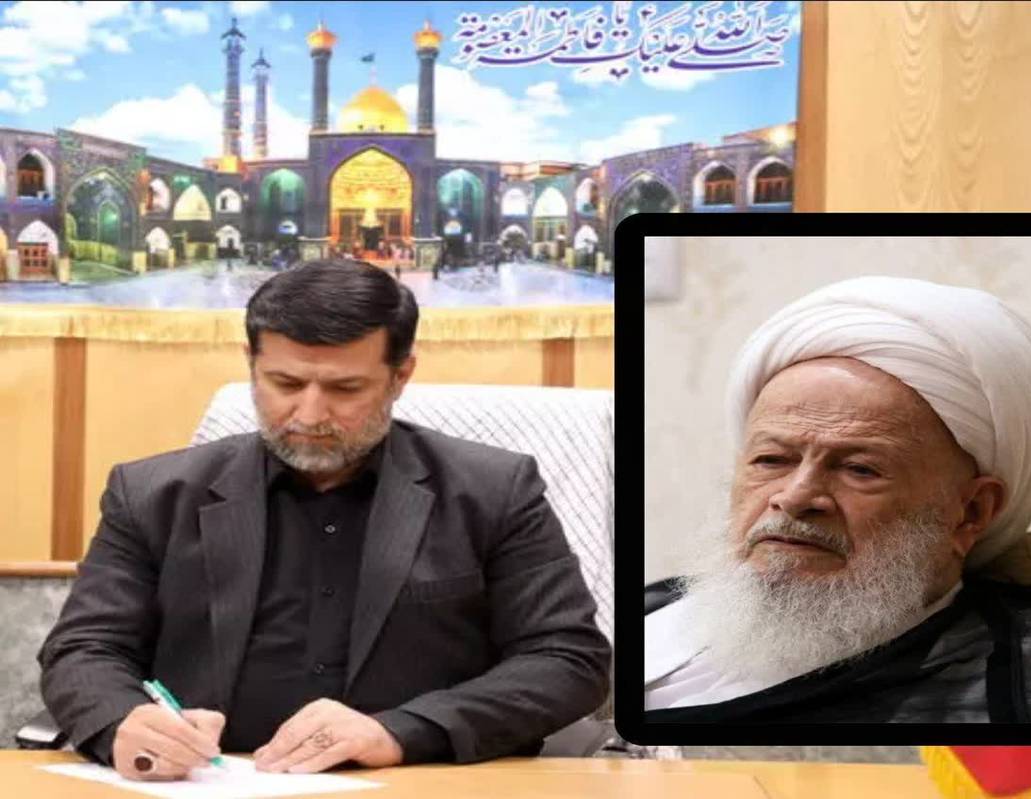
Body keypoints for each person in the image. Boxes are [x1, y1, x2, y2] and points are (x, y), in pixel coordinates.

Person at [40, 260, 610, 781]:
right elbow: (84, 650)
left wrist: (400, 732)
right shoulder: (152, 495)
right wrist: (123, 720)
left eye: (345, 388)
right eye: (285, 384)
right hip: (208, 783)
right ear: (252, 366)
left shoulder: (492, 491)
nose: (310, 414)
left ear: (400, 376)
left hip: (417, 783)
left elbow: (568, 659)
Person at [644, 276, 1031, 724]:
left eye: (859, 469)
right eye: (771, 460)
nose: (794, 498)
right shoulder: (652, 604)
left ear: (970, 513)